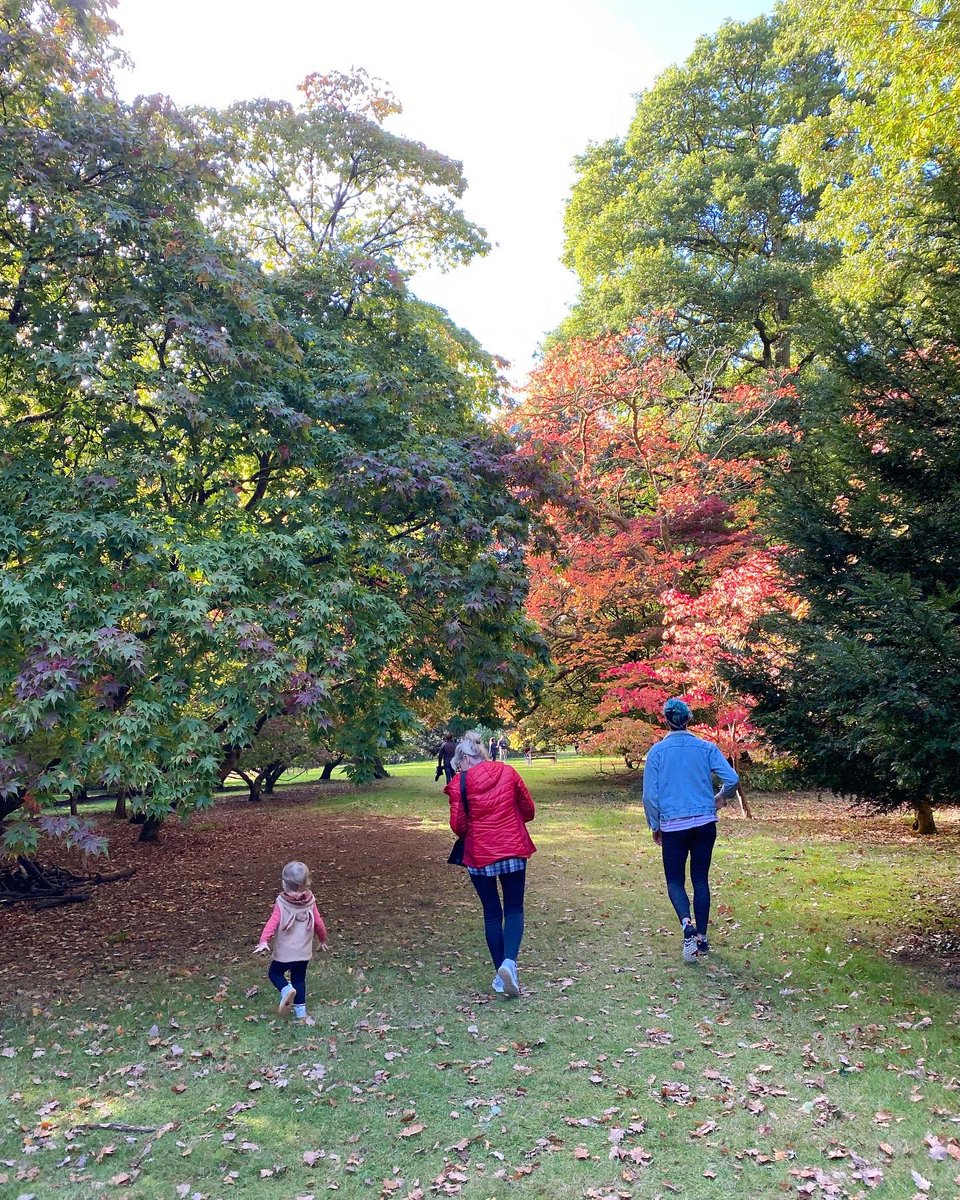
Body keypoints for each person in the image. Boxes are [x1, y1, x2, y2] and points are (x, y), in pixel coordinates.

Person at [642, 698, 739, 964]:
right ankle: (702, 939)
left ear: (665, 720)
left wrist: (655, 825)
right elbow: (732, 779)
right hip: (705, 824)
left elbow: (650, 796)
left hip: (673, 826)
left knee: (675, 880)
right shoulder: (706, 748)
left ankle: (687, 924)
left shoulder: (657, 752)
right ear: (689, 720)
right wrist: (720, 797)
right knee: (700, 879)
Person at [446, 731, 536, 997]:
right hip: (513, 849)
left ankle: (502, 971)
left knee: (492, 913)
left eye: (459, 765)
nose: (459, 770)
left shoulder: (459, 784)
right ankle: (509, 964)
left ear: (465, 760)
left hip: (480, 855)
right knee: (514, 908)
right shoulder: (508, 772)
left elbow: (458, 825)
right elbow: (528, 810)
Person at [254, 860, 328, 1018]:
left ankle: (286, 989)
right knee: (299, 979)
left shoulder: (282, 903)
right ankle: (301, 1012)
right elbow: (319, 923)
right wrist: (322, 939)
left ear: (284, 884)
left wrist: (263, 940)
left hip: (285, 953)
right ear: (306, 883)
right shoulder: (310, 901)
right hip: (303, 953)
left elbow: (272, 922)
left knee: (274, 974)